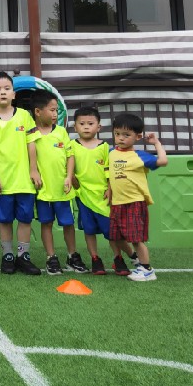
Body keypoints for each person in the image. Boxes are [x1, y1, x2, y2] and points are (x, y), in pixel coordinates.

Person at [0, 72, 41, 275]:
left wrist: (34, 170)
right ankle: (7, 256)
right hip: (3, 181)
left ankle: (23, 256)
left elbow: (31, 144)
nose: (3, 92)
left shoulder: (24, 116)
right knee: (4, 220)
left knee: (25, 219)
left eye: (7, 88)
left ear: (14, 93)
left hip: (24, 181)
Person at [68, 106, 135, 275]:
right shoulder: (71, 146)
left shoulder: (105, 147)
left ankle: (118, 258)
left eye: (90, 123)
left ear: (98, 127)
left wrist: (110, 189)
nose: (86, 127)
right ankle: (95, 259)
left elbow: (110, 171)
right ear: (75, 127)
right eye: (82, 123)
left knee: (112, 232)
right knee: (89, 230)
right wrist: (72, 179)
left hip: (103, 196)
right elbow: (69, 168)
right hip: (83, 196)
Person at [106, 112, 168, 282]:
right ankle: (136, 259)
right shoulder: (111, 152)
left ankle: (147, 270)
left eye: (126, 135)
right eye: (117, 133)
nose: (121, 138)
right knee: (115, 237)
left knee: (136, 239)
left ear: (138, 137)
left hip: (134, 203)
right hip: (117, 203)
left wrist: (156, 143)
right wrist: (109, 190)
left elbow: (163, 161)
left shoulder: (140, 155)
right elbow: (111, 174)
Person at [29, 90, 85, 275]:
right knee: (46, 224)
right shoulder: (31, 134)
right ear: (38, 112)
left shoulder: (61, 132)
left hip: (63, 190)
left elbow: (70, 156)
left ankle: (72, 256)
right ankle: (51, 258)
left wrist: (69, 177)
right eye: (52, 110)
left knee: (68, 224)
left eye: (56, 111)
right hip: (43, 191)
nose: (55, 114)